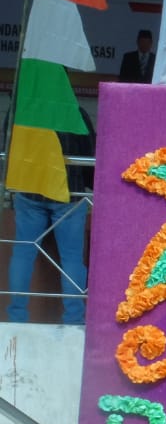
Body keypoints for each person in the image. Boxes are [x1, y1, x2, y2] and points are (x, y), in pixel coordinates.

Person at [5, 111, 94, 325]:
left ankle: (16, 317)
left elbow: (7, 147)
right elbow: (90, 152)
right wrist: (88, 184)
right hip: (69, 193)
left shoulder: (20, 109)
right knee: (71, 259)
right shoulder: (75, 111)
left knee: (23, 254)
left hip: (29, 191)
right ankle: (74, 320)